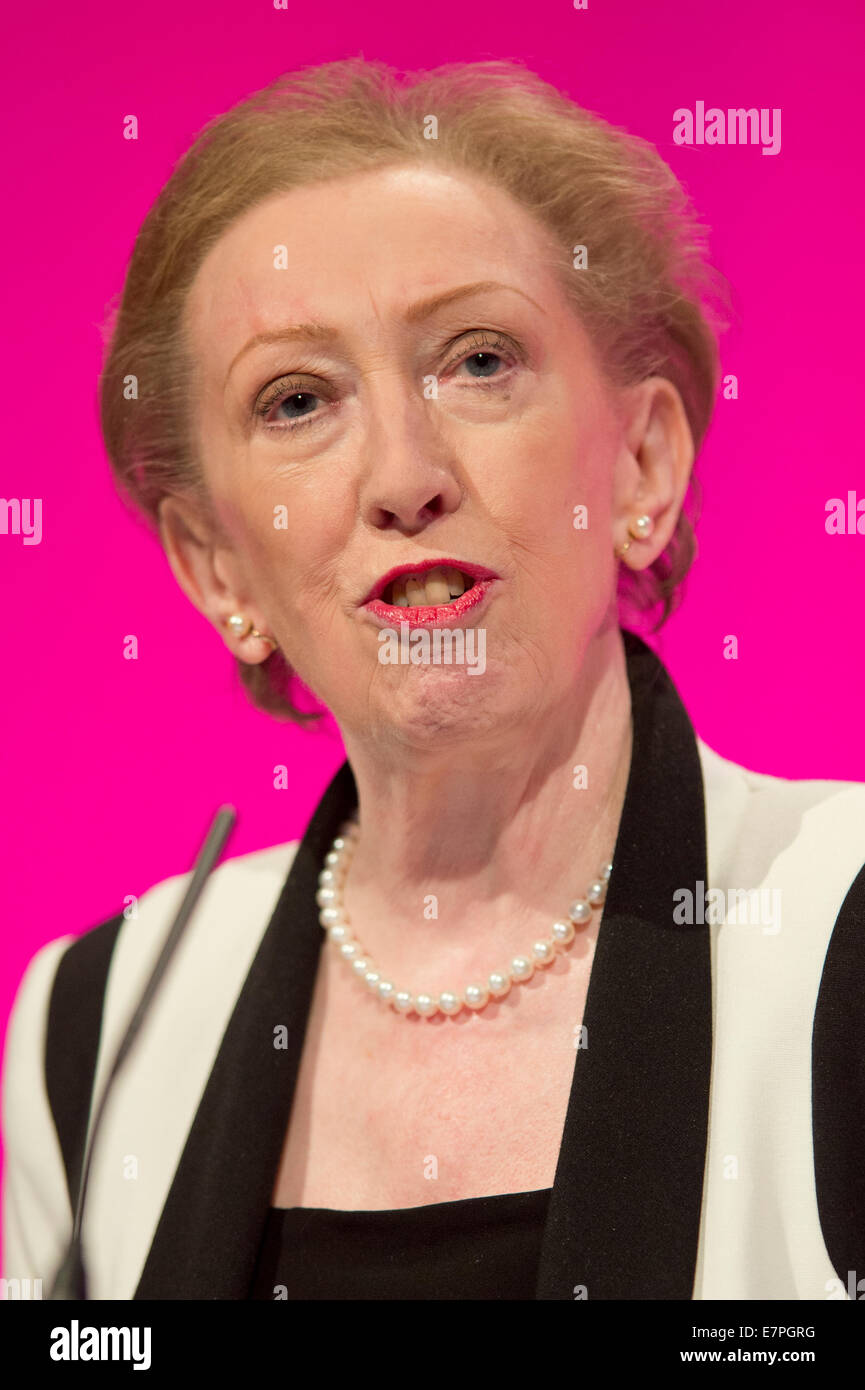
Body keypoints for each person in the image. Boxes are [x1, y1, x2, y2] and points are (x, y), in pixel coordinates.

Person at [3, 57, 864, 1302]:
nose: (404, 474)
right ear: (215, 566)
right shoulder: (96, 1022)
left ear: (638, 466)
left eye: (476, 361)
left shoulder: (837, 920)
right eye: (297, 399)